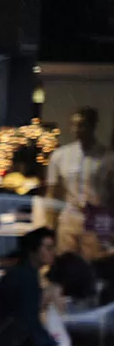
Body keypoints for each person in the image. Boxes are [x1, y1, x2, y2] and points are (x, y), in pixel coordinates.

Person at [46, 106, 108, 259]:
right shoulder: (60, 155)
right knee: (67, 263)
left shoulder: (106, 157)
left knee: (94, 263)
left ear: (93, 126)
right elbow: (52, 192)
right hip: (69, 215)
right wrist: (49, 227)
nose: (77, 130)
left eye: (82, 125)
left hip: (96, 217)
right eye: (74, 125)